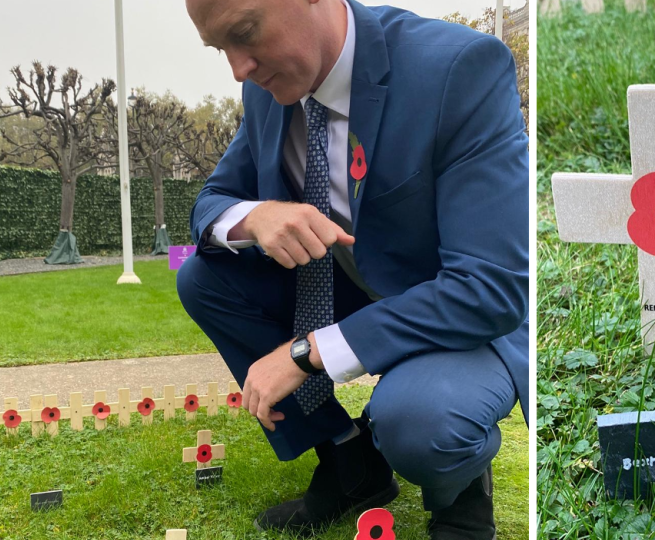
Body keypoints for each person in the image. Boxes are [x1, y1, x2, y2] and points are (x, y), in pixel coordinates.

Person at [177, 0, 529, 537]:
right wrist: (257, 215)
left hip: (457, 314)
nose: (237, 68)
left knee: (419, 420)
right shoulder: (267, 91)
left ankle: (460, 494)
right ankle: (351, 464)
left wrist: (309, 353)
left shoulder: (458, 70)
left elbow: (490, 287)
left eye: (245, 33)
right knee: (204, 280)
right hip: (355, 287)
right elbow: (211, 202)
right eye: (220, 48)